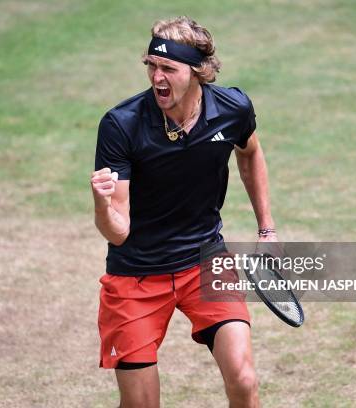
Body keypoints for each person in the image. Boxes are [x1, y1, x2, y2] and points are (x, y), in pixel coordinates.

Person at [90, 16, 276, 408]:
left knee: (243, 379)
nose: (157, 77)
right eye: (151, 67)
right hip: (136, 274)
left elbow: (251, 152)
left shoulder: (233, 108)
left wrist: (266, 231)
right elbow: (117, 231)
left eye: (168, 69)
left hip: (205, 261)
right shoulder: (121, 125)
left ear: (197, 72)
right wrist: (100, 203)